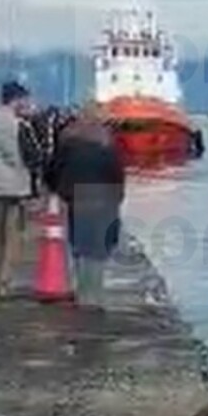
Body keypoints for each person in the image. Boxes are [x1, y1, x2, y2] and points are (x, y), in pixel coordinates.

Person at [46, 103, 125, 308]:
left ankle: (82, 292)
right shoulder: (106, 140)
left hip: (75, 195)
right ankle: (94, 295)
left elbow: (55, 166)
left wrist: (56, 189)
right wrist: (118, 196)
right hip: (102, 196)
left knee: (79, 245)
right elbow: (116, 172)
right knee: (98, 249)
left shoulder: (68, 137)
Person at [0, 82, 36, 299]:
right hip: (15, 187)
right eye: (25, 100)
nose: (28, 104)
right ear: (17, 99)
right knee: (14, 238)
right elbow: (24, 156)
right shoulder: (17, 124)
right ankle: (4, 283)